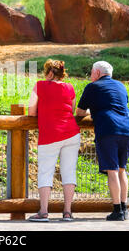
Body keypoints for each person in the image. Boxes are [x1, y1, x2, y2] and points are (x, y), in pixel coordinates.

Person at [76, 61, 129, 221]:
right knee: (122, 170)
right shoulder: (121, 86)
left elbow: (80, 112)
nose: (90, 75)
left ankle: (117, 210)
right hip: (128, 129)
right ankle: (124, 209)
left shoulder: (92, 87)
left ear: (96, 72)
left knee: (112, 171)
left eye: (91, 72)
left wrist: (90, 110)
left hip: (109, 130)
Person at [27, 59, 81, 222]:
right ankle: (67, 212)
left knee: (45, 172)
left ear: (50, 73)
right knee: (69, 171)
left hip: (50, 135)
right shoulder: (70, 87)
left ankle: (43, 212)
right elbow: (72, 109)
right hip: (71, 133)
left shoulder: (40, 86)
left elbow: (31, 111)